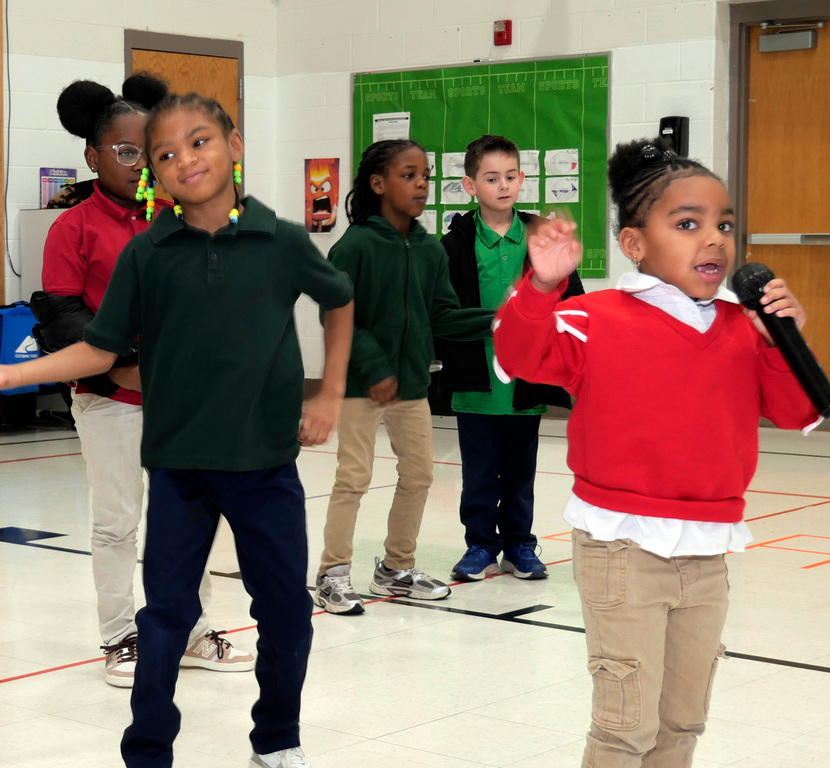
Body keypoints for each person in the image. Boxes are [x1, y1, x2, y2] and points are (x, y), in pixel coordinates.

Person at [0, 91, 355, 768]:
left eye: (200, 141)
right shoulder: (147, 254)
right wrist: (10, 376)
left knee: (285, 615)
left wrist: (331, 393)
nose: (184, 160)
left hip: (265, 469)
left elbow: (337, 299)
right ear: (152, 175)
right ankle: (148, 750)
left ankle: (277, 740)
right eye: (164, 153)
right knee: (163, 620)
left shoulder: (279, 240)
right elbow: (100, 349)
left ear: (235, 146)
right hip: (179, 470)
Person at [492, 138, 820, 768]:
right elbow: (519, 354)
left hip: (707, 550)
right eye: (688, 224)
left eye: (724, 225)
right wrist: (541, 285)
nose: (714, 241)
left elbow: (796, 410)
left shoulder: (743, 328)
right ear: (635, 244)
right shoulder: (593, 317)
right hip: (622, 549)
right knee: (626, 724)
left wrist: (784, 340)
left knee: (682, 720)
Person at [33, 75, 253, 688]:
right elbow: (64, 318)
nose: (140, 165)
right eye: (125, 152)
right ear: (93, 155)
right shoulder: (72, 228)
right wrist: (128, 363)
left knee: (189, 518)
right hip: (110, 400)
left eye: (150, 151)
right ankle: (119, 636)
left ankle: (191, 627)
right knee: (116, 521)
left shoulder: (179, 221)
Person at [314, 138, 493, 615]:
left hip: (411, 386)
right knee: (353, 477)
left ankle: (396, 567)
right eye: (409, 175)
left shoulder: (431, 248)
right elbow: (337, 316)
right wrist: (374, 368)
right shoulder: (354, 246)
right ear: (378, 184)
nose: (421, 185)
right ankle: (332, 573)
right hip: (359, 385)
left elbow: (443, 316)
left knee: (419, 474)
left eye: (426, 176)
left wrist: (496, 319)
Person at [435, 134, 583, 582]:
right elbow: (442, 315)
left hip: (527, 381)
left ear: (523, 179)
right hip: (476, 382)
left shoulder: (543, 237)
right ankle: (480, 545)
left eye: (511, 176)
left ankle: (520, 545)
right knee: (479, 474)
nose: (503, 185)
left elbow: (572, 304)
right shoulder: (453, 245)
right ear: (470, 185)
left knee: (520, 472)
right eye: (491, 177)